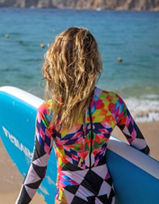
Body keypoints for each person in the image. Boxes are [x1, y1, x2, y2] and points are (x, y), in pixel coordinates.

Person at [16, 27, 150, 204]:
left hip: (70, 196)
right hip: (106, 195)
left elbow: (38, 169)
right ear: (94, 61)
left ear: (57, 63)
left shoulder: (50, 112)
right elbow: (142, 149)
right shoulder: (112, 103)